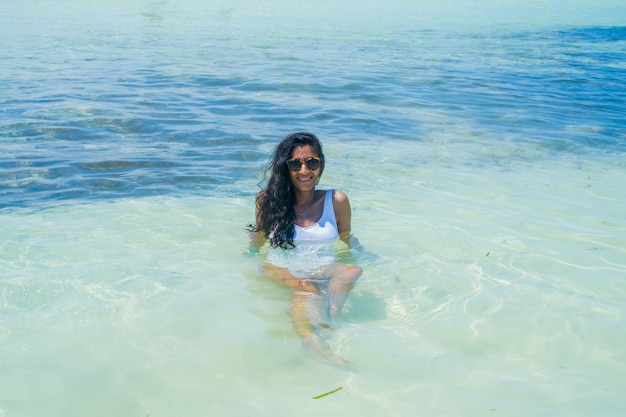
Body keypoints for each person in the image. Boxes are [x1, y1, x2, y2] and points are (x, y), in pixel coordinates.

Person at [249, 132, 362, 365]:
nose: (304, 171)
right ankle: (311, 341)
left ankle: (327, 324)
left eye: (312, 163)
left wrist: (364, 254)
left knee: (352, 271)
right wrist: (249, 257)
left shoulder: (336, 200)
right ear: (285, 168)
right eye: (295, 164)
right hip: (279, 265)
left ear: (320, 164)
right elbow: (259, 237)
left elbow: (346, 237)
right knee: (307, 288)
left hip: (321, 266)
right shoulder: (267, 201)